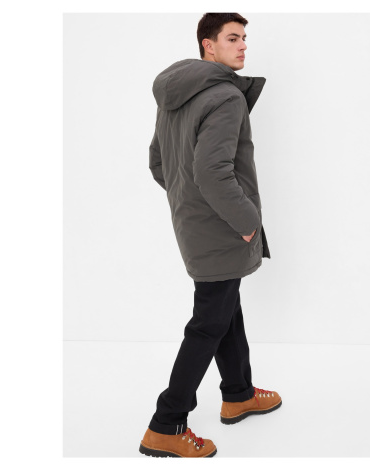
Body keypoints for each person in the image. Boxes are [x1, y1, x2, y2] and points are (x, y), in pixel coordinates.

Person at [139, 13, 281, 458]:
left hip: (195, 223)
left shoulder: (177, 94)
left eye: (244, 38)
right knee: (208, 324)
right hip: (223, 226)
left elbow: (159, 163)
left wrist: (190, 204)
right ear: (208, 45)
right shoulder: (225, 96)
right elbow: (212, 172)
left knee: (225, 309)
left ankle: (238, 393)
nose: (243, 46)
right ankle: (166, 424)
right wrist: (247, 221)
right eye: (232, 38)